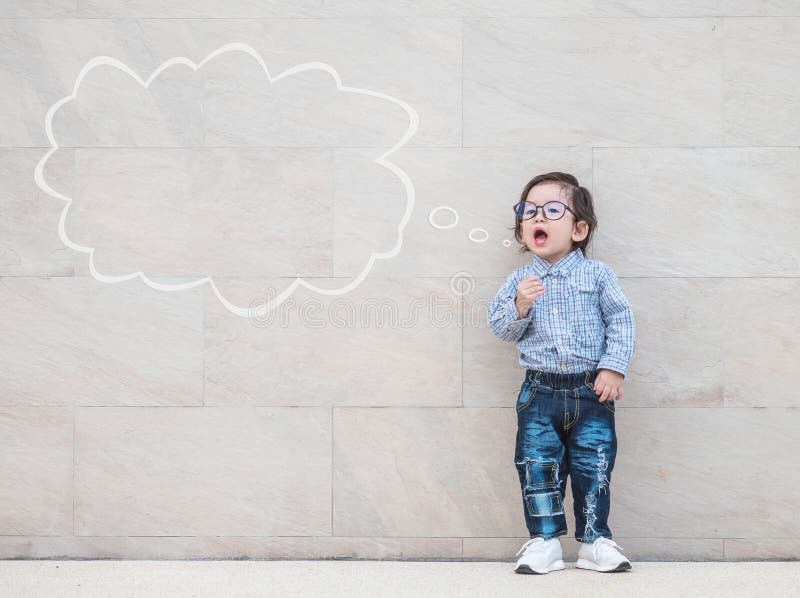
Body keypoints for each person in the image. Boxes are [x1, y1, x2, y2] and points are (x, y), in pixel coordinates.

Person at [487, 172, 635, 574]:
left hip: (593, 390)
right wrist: (520, 306)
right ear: (521, 227)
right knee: (537, 465)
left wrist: (613, 368)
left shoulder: (598, 275)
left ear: (579, 228)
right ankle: (544, 540)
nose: (539, 217)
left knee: (595, 464)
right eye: (529, 211)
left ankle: (595, 540)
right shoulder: (520, 280)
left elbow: (621, 321)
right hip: (539, 392)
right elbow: (500, 327)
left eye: (552, 210)